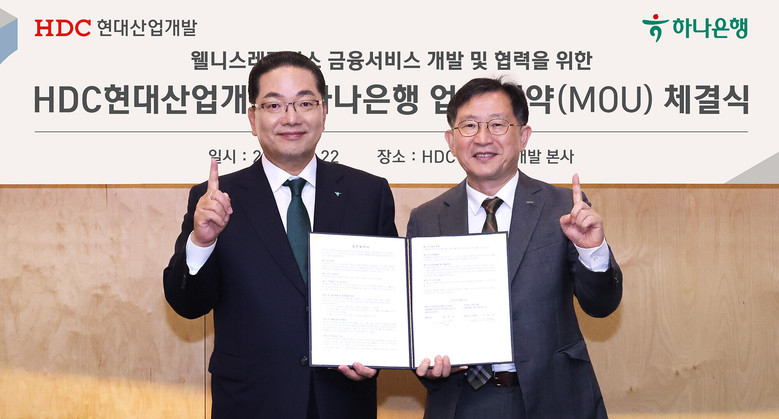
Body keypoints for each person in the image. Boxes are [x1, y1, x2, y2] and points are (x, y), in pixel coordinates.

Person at [163, 51, 398, 419]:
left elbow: (389, 297)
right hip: (250, 402)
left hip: (342, 401)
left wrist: (378, 355)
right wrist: (202, 241)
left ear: (324, 112)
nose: (291, 118)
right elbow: (187, 305)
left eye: (305, 103)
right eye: (274, 105)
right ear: (253, 119)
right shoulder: (216, 199)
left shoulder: (368, 193)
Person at [407, 77, 623, 418]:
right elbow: (417, 322)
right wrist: (425, 363)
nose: (483, 138)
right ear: (450, 140)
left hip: (553, 400)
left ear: (523, 136)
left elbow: (601, 305)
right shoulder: (427, 219)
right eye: (469, 126)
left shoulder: (562, 208)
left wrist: (592, 252)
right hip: (461, 403)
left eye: (497, 124)